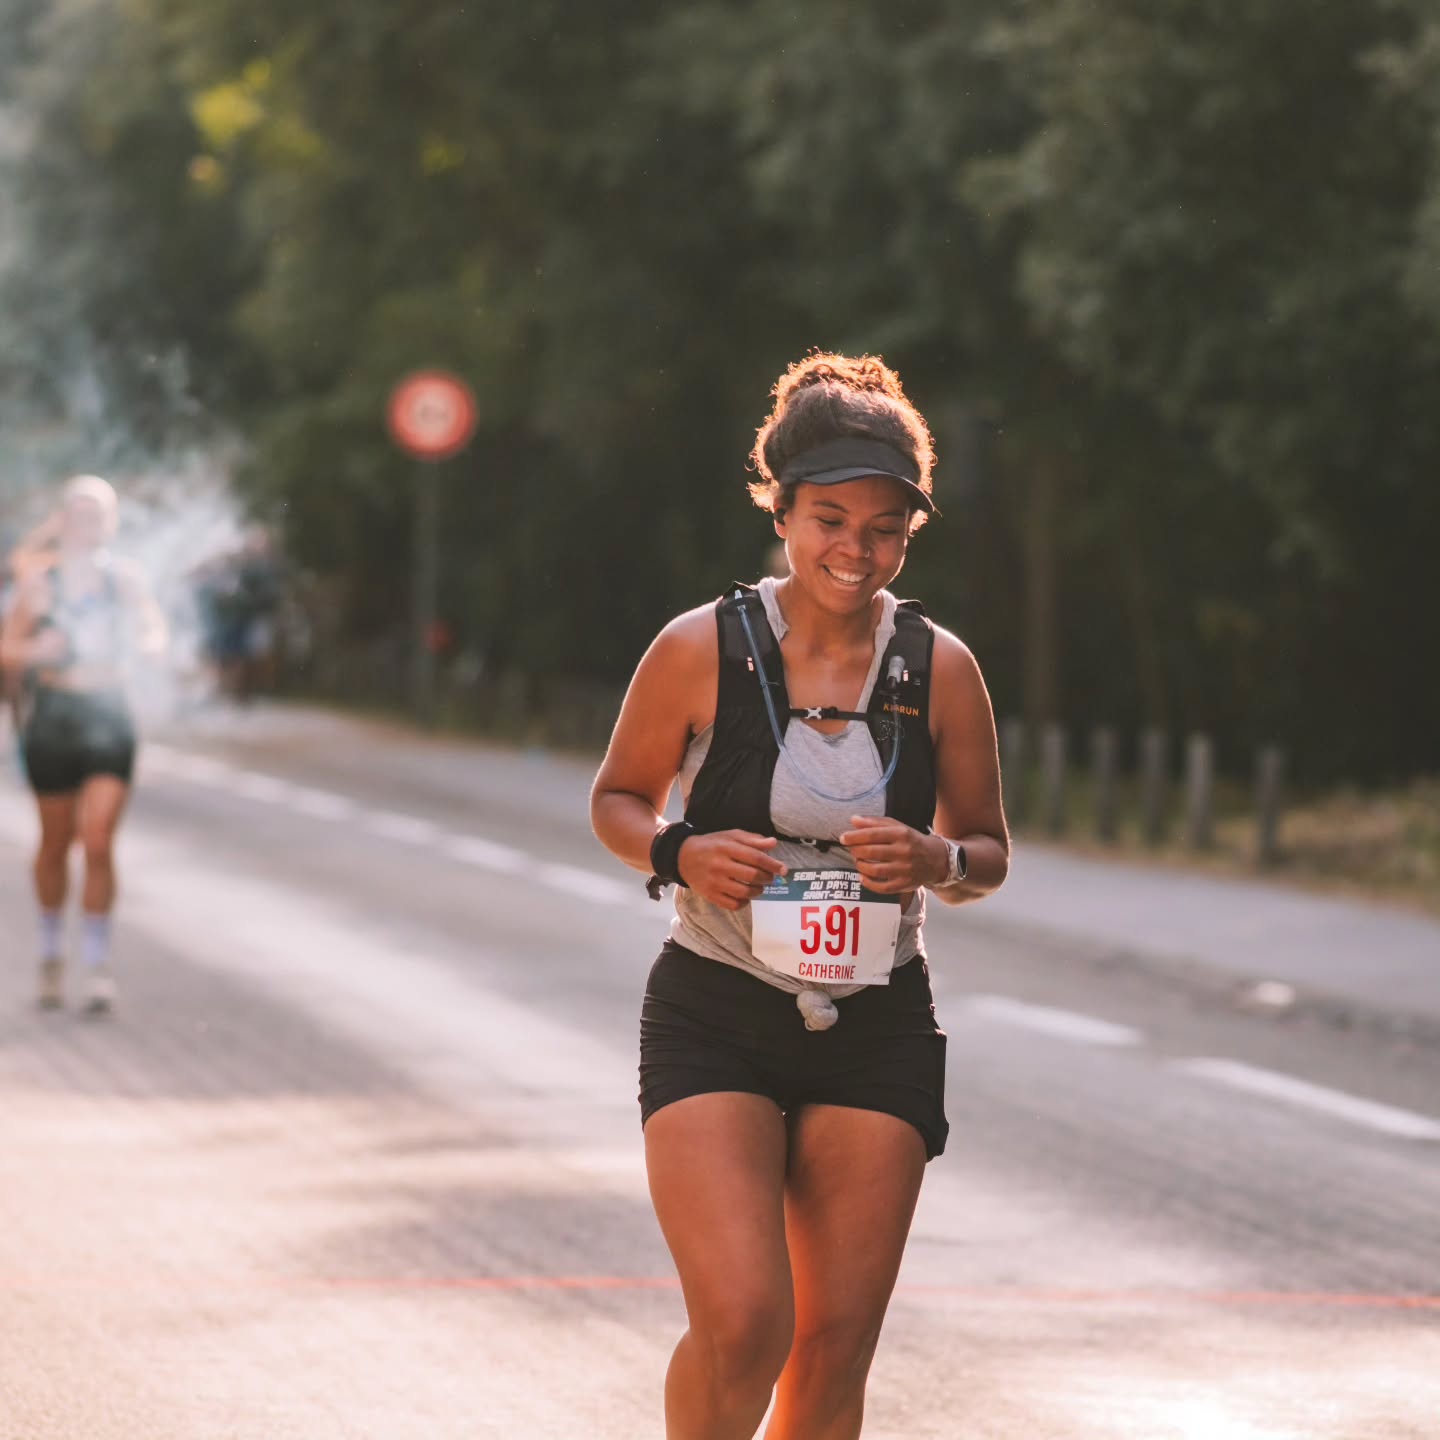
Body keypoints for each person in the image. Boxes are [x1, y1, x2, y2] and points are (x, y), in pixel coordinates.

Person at [591, 351, 1010, 1440]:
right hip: (715, 1009)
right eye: (830, 518)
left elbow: (990, 851)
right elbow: (618, 799)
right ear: (781, 510)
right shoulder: (700, 649)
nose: (854, 549)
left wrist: (936, 861)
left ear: (908, 536)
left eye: (883, 529)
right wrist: (679, 850)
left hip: (877, 1027)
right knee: (744, 1323)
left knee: (830, 1357)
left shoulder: (942, 669)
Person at [0, 475, 167, 1012]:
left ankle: (96, 964)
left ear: (110, 523)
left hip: (110, 714)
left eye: (97, 513)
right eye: (78, 512)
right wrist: (35, 650)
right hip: (54, 717)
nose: (87, 523)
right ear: (62, 521)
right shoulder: (39, 583)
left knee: (97, 841)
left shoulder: (125, 581)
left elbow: (154, 631)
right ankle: (51, 952)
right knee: (55, 844)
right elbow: (7, 649)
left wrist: (146, 646)